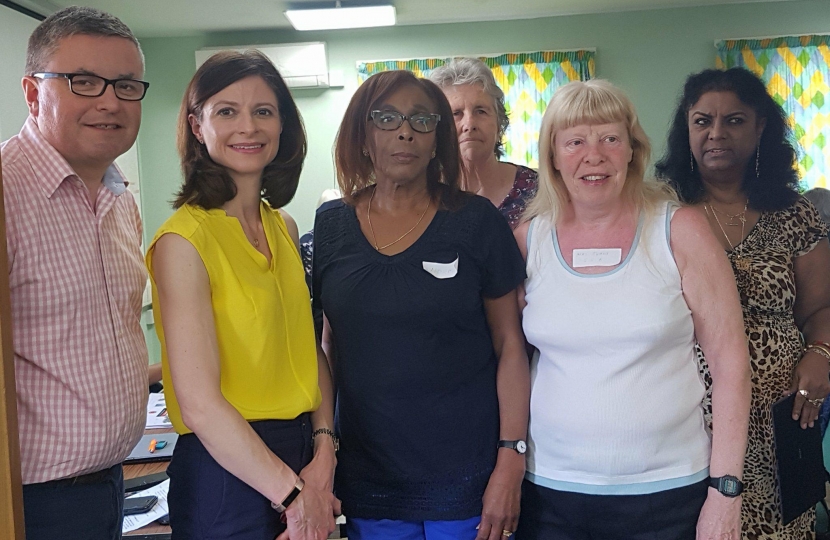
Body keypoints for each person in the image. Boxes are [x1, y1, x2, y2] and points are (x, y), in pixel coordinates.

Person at [514, 79, 751, 540]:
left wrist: (725, 493)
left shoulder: (681, 229)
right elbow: (509, 360)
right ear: (553, 156)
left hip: (668, 493)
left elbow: (731, 363)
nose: (594, 155)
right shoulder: (528, 241)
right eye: (575, 141)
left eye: (610, 138)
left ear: (631, 150)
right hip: (551, 493)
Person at [312, 70, 530, 540]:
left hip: (468, 476)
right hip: (370, 475)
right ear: (363, 136)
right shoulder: (330, 226)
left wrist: (512, 456)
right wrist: (323, 445)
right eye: (386, 117)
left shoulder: (476, 222)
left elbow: (510, 343)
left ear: (438, 139)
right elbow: (327, 346)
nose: (404, 130)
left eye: (421, 119)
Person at [146, 51, 339, 540]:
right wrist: (295, 496)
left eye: (264, 111)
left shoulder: (285, 226)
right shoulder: (183, 241)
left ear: (282, 126)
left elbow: (306, 347)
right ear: (197, 125)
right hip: (227, 473)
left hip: (302, 454)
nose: (247, 127)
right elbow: (201, 406)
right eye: (226, 111)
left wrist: (323, 451)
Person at [656, 67, 830, 539]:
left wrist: (821, 353)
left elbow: (820, 310)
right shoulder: (659, 212)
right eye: (701, 121)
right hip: (685, 413)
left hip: (781, 412)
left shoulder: (797, 214)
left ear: (760, 127)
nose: (716, 133)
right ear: (685, 131)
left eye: (734, 120)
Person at [0, 7, 149, 540]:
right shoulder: (6, 194)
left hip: (110, 482)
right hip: (30, 501)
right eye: (83, 82)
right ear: (33, 92)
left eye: (127, 85)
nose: (110, 101)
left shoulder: (120, 199)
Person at [430, 58, 538, 229]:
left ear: (499, 122)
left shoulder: (537, 191)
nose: (469, 124)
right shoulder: (423, 195)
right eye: (456, 114)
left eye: (480, 111)